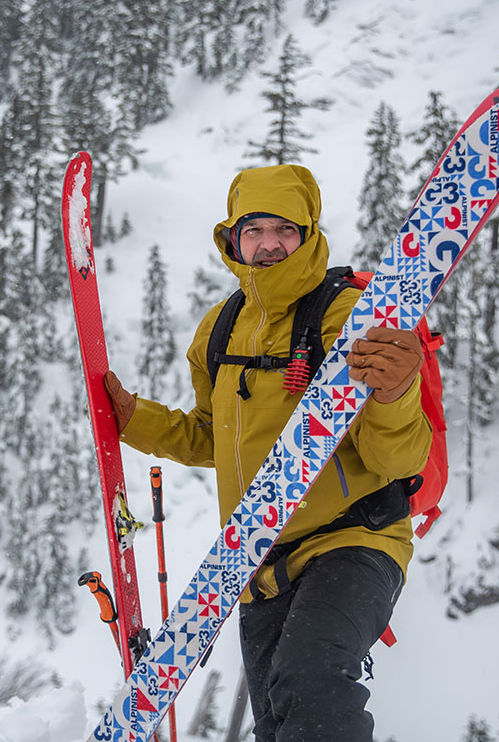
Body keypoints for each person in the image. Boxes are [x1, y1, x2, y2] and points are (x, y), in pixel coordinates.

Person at [103, 164, 432, 741]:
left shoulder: (348, 314)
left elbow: (395, 461)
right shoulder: (220, 329)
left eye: (285, 229)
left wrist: (397, 393)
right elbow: (212, 436)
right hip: (257, 565)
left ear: (307, 234)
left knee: (310, 683)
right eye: (253, 230)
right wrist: (136, 422)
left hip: (353, 541)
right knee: (279, 726)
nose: (269, 244)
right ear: (232, 239)